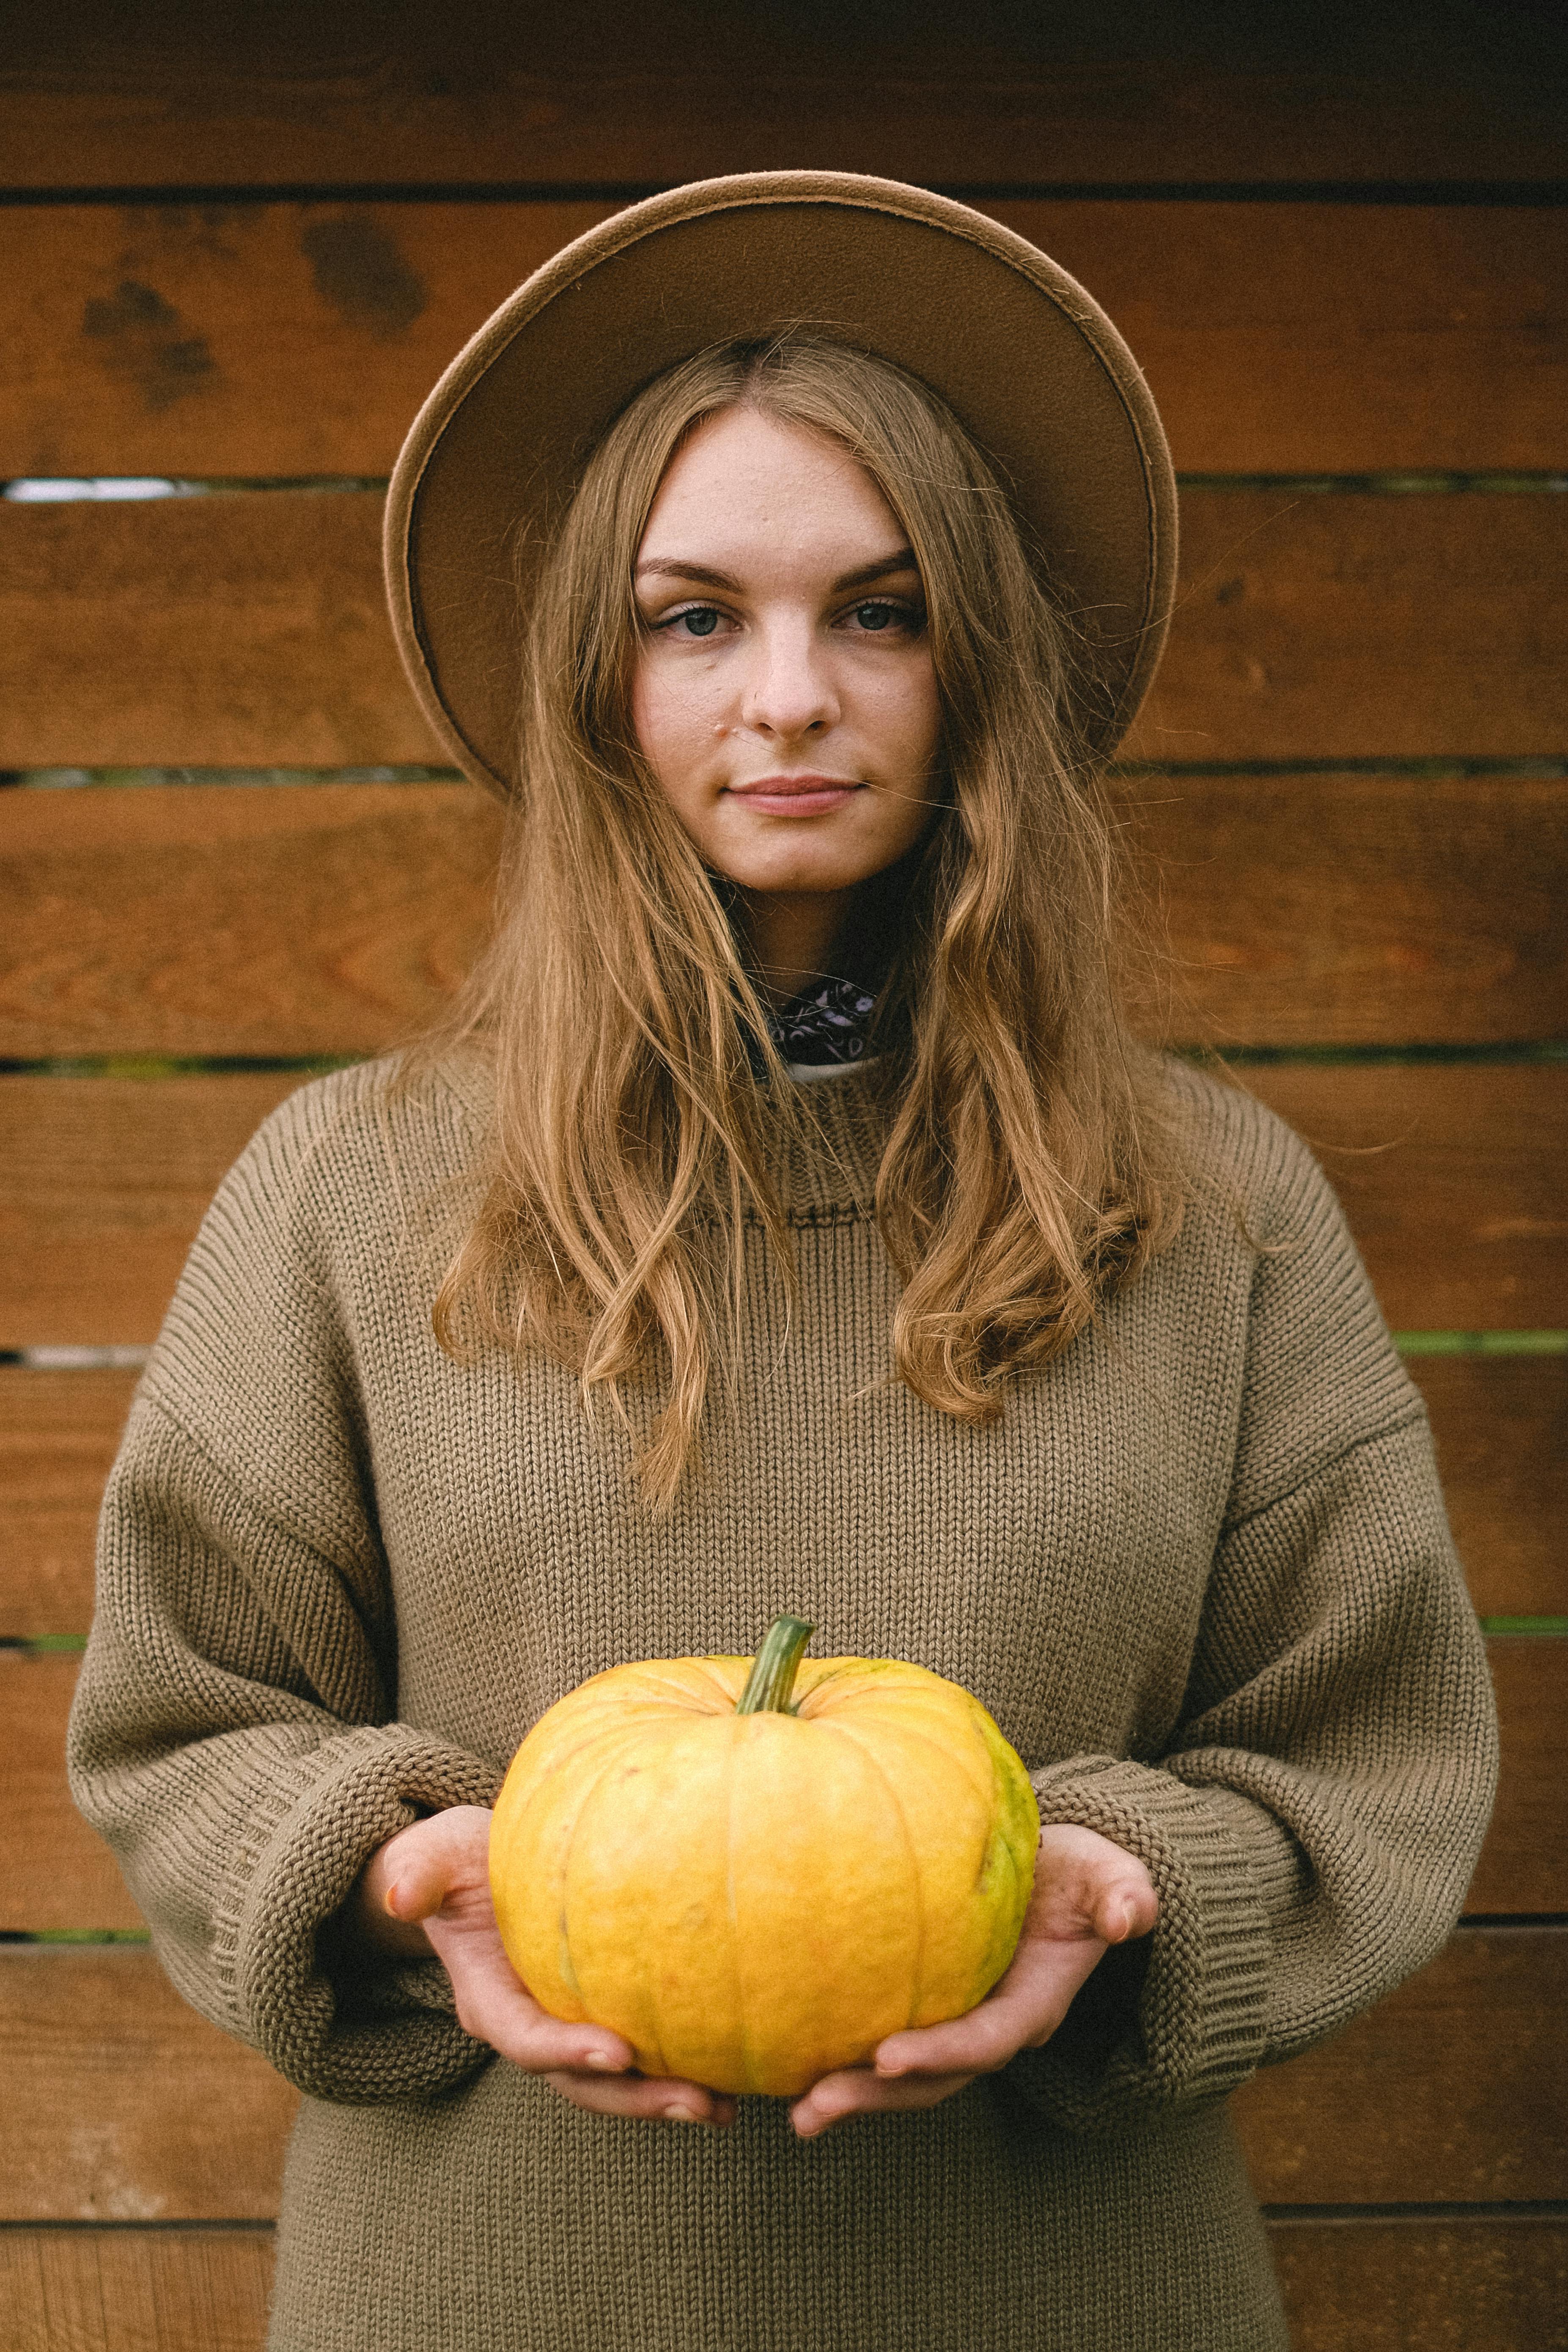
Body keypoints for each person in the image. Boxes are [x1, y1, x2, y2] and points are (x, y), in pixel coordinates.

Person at [68, 174, 1497, 2352]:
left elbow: (1368, 1742)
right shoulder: (350, 1192)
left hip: (1065, 2294)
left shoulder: (1216, 1204)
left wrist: (1114, 1882)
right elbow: (187, 1717)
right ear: (598, 674)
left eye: (884, 610)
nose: (794, 697)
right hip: (487, 2295)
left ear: (977, 663)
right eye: (697, 616)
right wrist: (395, 1859)